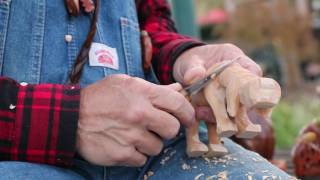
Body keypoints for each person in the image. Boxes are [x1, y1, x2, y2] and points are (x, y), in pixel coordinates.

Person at [0, 0, 291, 179]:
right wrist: (72, 120)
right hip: (19, 159)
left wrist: (183, 57)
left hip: (156, 152)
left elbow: (153, 23)